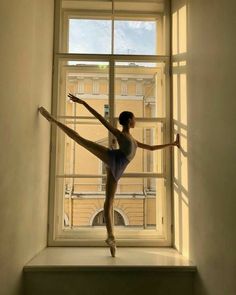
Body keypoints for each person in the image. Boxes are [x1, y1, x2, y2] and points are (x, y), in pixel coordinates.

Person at [39, 93, 180, 257]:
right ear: (129, 121)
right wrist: (83, 102)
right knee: (80, 140)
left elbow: (151, 148)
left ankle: (111, 239)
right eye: (134, 118)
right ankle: (111, 238)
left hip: (117, 168)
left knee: (109, 202)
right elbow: (101, 118)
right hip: (112, 159)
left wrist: (173, 143)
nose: (136, 121)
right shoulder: (121, 134)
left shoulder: (133, 140)